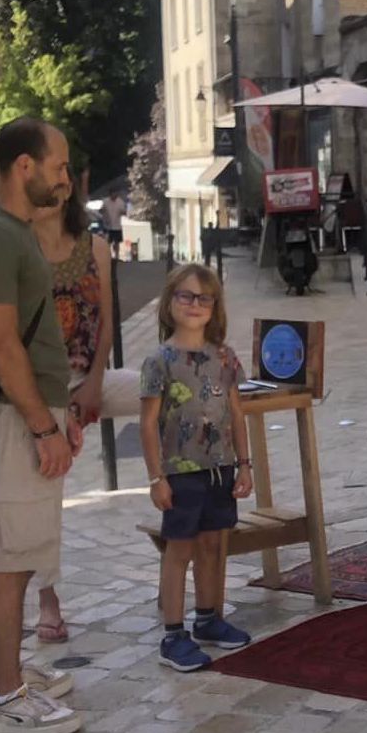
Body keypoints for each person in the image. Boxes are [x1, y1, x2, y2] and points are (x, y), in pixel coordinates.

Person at [0, 117, 84, 733]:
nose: (66, 178)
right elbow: (2, 346)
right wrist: (41, 426)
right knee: (12, 556)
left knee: (16, 548)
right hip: (15, 418)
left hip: (32, 412)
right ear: (23, 167)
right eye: (58, 166)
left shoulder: (13, 232)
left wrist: (63, 415)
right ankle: (6, 696)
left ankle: (4, 672)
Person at [139, 264, 255, 672]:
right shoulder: (160, 361)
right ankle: (173, 634)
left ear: (215, 307)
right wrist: (156, 477)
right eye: (185, 296)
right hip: (179, 473)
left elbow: (236, 414)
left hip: (220, 469)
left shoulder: (225, 357)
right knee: (179, 551)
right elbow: (149, 422)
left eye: (203, 298)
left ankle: (208, 618)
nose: (194, 304)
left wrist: (244, 465)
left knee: (211, 546)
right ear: (170, 303)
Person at [27, 179, 121, 643]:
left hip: (86, 377)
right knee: (44, 491)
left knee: (163, 398)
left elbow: (105, 322)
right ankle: (47, 595)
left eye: (62, 185)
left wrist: (96, 381)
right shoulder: (16, 247)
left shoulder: (95, 247)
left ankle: (188, 559)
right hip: (39, 387)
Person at [100, 189, 127, 258]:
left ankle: (117, 256)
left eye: (116, 194)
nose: (114, 195)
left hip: (117, 226)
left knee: (117, 242)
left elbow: (124, 212)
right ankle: (107, 256)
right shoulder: (105, 201)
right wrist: (103, 212)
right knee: (107, 242)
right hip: (107, 225)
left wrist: (123, 212)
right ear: (110, 194)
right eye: (113, 194)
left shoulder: (120, 202)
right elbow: (101, 210)